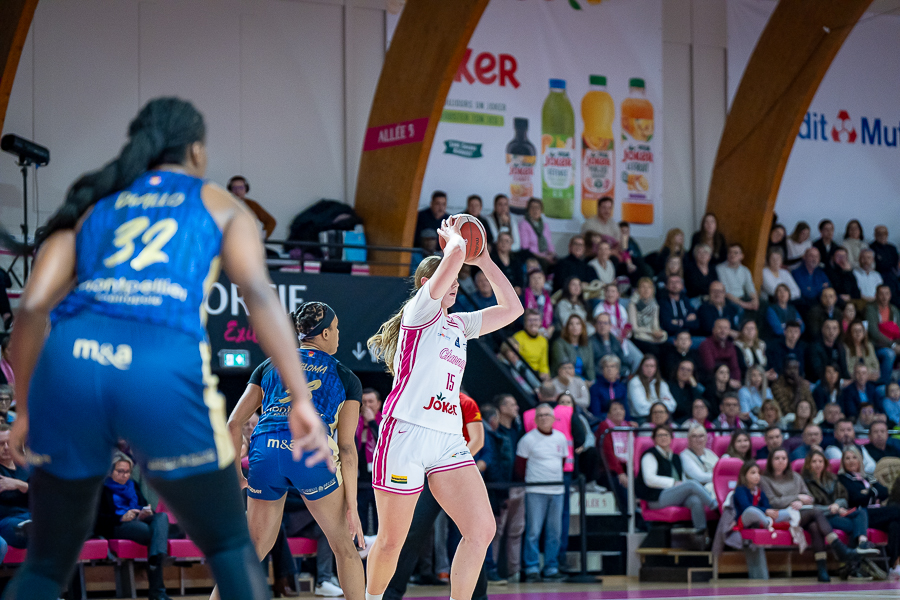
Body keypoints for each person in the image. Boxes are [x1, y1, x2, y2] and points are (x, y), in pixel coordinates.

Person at [0, 98, 331, 600]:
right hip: (157, 361)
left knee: (45, 567)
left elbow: (29, 310)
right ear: (195, 150)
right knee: (230, 546)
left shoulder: (96, 203)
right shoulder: (216, 202)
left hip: (71, 364)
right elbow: (260, 297)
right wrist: (301, 398)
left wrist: (26, 408)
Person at [365, 217, 523, 600]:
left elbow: (513, 308)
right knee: (391, 541)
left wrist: (484, 260)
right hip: (406, 432)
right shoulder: (420, 311)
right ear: (427, 283)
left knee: (481, 529)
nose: (455, 285)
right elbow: (452, 256)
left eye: (456, 281)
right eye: (449, 279)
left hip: (447, 438)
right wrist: (454, 239)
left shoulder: (459, 325)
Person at [213, 302, 364, 600]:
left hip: (265, 450)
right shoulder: (345, 376)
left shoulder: (270, 365)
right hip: (309, 451)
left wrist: (237, 475)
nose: (338, 334)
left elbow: (233, 423)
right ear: (324, 334)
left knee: (255, 548)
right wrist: (353, 506)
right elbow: (347, 447)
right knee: (343, 547)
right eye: (335, 329)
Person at [384, 394, 488, 600]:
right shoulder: (423, 398)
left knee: (473, 536)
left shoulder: (466, 402)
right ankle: (391, 594)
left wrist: (452, 466)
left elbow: (477, 440)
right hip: (428, 476)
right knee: (412, 532)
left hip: (457, 476)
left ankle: (478, 596)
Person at [759, 448, 861, 582]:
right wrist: (796, 498)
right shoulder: (765, 479)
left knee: (814, 526)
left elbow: (809, 498)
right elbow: (773, 502)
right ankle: (839, 548)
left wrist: (801, 501)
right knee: (816, 511)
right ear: (770, 461)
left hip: (801, 513)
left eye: (784, 458)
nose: (781, 461)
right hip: (781, 515)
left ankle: (822, 569)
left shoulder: (796, 476)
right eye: (777, 458)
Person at [96, 454, 171, 600]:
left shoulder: (133, 485)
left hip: (138, 520)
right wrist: (121, 517)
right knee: (152, 534)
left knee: (162, 517)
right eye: (120, 471)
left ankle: (156, 559)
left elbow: (143, 505)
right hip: (118, 525)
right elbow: (97, 520)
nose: (125, 475)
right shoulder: (102, 489)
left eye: (127, 472)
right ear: (111, 472)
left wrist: (145, 512)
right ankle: (158, 591)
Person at [802, 449, 877, 578]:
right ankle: (853, 564)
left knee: (861, 513)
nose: (818, 464)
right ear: (808, 464)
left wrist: (837, 505)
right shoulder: (805, 482)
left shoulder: (832, 478)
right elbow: (810, 507)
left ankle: (862, 546)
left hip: (836, 513)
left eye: (820, 461)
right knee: (855, 525)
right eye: (814, 461)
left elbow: (843, 497)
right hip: (822, 518)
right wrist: (829, 508)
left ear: (825, 463)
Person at [635, 425, 718, 540]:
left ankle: (701, 535)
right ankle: (714, 506)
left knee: (695, 500)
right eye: (660, 435)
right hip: (656, 498)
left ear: (671, 438)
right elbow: (649, 479)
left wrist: (679, 485)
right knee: (691, 484)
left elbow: (682, 479)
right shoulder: (650, 455)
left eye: (666, 435)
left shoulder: (675, 457)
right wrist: (673, 483)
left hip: (673, 495)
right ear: (654, 439)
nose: (663, 437)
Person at [515, 403, 569, 582]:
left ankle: (551, 567)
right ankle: (532, 568)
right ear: (535, 419)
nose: (544, 418)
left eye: (547, 415)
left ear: (554, 419)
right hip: (535, 491)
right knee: (533, 531)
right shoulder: (527, 440)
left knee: (555, 532)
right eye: (540, 415)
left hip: (557, 491)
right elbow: (520, 467)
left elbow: (562, 461)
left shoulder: (561, 438)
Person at [838, 447, 900, 579]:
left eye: (854, 457)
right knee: (897, 511)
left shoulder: (868, 476)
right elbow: (856, 498)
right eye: (847, 458)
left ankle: (889, 565)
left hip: (878, 513)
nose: (851, 461)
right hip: (860, 514)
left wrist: (869, 493)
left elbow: (884, 492)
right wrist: (873, 493)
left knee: (895, 525)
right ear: (843, 462)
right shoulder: (843, 479)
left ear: (860, 460)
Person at [489, 395, 526, 582]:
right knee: (495, 531)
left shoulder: (518, 431)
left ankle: (514, 571)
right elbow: (494, 462)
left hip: (518, 486)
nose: (516, 407)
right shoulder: (495, 433)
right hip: (500, 488)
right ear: (502, 408)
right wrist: (500, 486)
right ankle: (491, 569)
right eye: (512, 404)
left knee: (516, 531)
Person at [596, 401, 637, 509]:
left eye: (621, 409)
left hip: (629, 466)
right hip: (611, 469)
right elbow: (608, 452)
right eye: (615, 409)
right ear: (608, 414)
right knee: (621, 484)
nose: (619, 411)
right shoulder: (605, 426)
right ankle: (629, 515)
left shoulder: (629, 426)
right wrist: (620, 472)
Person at [733, 462, 790, 535]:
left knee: (787, 513)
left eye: (758, 473)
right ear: (744, 475)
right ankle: (769, 523)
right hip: (744, 519)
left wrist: (770, 512)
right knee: (751, 510)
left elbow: (767, 506)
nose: (757, 475)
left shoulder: (760, 491)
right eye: (753, 473)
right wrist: (765, 511)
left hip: (762, 517)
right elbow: (746, 507)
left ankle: (768, 523)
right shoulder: (740, 489)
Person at [357, 389, 383, 536]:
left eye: (370, 401)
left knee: (380, 523)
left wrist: (372, 422)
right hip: (359, 483)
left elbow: (384, 444)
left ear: (378, 404)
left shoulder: (384, 422)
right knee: (362, 524)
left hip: (378, 482)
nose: (366, 405)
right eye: (363, 402)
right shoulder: (355, 424)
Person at [0, 424, 29, 553]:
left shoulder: (26, 467)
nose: (6, 447)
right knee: (19, 530)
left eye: (9, 442)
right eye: (1, 444)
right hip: (7, 521)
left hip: (31, 516)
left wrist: (20, 485)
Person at [865, 285, 900, 385]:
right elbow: (874, 332)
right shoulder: (870, 309)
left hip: (894, 344)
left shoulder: (894, 310)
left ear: (890, 295)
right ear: (876, 295)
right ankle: (884, 386)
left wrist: (897, 345)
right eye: (881, 294)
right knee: (889, 354)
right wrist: (893, 345)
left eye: (887, 294)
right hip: (877, 346)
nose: (884, 297)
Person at [226, 175, 276, 240]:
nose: (238, 191)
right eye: (234, 188)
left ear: (246, 189)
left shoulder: (252, 205)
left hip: (248, 241)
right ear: (230, 190)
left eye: (241, 188)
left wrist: (262, 235)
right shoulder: (224, 204)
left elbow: (271, 222)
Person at [628, 355, 676, 420]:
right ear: (641, 367)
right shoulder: (635, 382)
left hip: (661, 417)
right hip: (642, 418)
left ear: (656, 368)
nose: (649, 369)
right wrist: (662, 402)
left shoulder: (661, 383)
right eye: (646, 366)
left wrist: (652, 404)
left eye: (652, 366)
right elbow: (641, 409)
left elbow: (673, 405)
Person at [716, 244, 759, 312]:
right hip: (729, 299)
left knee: (763, 304)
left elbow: (750, 287)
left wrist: (755, 300)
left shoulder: (745, 270)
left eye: (736, 253)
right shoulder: (720, 269)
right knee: (739, 309)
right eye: (730, 252)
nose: (732, 255)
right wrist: (744, 305)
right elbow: (725, 292)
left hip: (742, 297)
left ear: (742, 256)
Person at [628, 277, 667, 353]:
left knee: (666, 344)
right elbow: (634, 328)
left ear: (652, 290)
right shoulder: (633, 304)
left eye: (649, 287)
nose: (646, 290)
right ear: (638, 289)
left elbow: (655, 324)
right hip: (639, 335)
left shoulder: (655, 305)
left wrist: (657, 332)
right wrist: (651, 331)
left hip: (651, 334)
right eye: (643, 287)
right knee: (654, 350)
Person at [698, 319, 742, 385]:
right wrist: (728, 381)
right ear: (713, 330)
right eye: (720, 328)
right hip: (712, 382)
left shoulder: (730, 345)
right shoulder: (706, 345)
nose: (723, 331)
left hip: (730, 382)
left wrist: (737, 380)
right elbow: (710, 368)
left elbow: (735, 367)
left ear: (729, 331)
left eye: (725, 328)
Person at [679, 424, 719, 497]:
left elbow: (720, 469)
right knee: (711, 487)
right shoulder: (685, 455)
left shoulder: (710, 453)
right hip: (696, 491)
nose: (698, 439)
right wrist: (719, 477)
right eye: (694, 436)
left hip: (714, 485)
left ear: (706, 438)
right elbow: (700, 477)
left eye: (701, 436)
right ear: (689, 439)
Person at [590, 312, 633, 377]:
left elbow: (623, 361)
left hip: (617, 376)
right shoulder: (590, 342)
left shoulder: (615, 341)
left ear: (610, 326)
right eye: (599, 323)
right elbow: (589, 365)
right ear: (595, 325)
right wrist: (606, 373)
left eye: (605, 323)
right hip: (599, 376)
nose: (602, 325)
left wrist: (619, 373)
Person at [807, 318, 849, 383]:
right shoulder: (814, 347)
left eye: (834, 328)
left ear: (839, 331)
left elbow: (844, 370)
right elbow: (817, 372)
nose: (831, 331)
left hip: (838, 382)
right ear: (822, 330)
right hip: (818, 382)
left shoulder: (840, 347)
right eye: (828, 328)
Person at [513, 309, 550, 380]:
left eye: (536, 320)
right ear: (525, 323)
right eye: (530, 320)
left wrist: (545, 375)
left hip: (536, 374)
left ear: (540, 322)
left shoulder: (543, 340)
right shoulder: (518, 337)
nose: (533, 323)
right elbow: (516, 360)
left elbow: (543, 364)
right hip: (522, 372)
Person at [519, 198, 556, 269]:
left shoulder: (545, 225)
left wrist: (552, 254)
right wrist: (543, 257)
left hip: (546, 255)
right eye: (532, 207)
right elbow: (525, 247)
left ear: (541, 210)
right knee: (544, 264)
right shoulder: (524, 225)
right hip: (532, 256)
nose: (535, 210)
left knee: (559, 263)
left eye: (537, 208)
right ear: (528, 210)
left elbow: (549, 243)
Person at [589, 355, 629, 421]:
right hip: (602, 421)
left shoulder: (622, 388)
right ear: (602, 370)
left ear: (617, 370)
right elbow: (596, 413)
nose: (609, 369)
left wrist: (628, 422)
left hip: (621, 422)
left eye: (612, 366)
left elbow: (626, 409)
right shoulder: (595, 388)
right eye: (606, 366)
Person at [522, 268, 554, 337]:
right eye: (533, 278)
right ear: (529, 281)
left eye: (539, 278)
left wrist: (551, 327)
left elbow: (553, 318)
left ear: (544, 280)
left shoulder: (548, 297)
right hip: (526, 330)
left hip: (545, 331)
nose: (536, 280)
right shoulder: (523, 295)